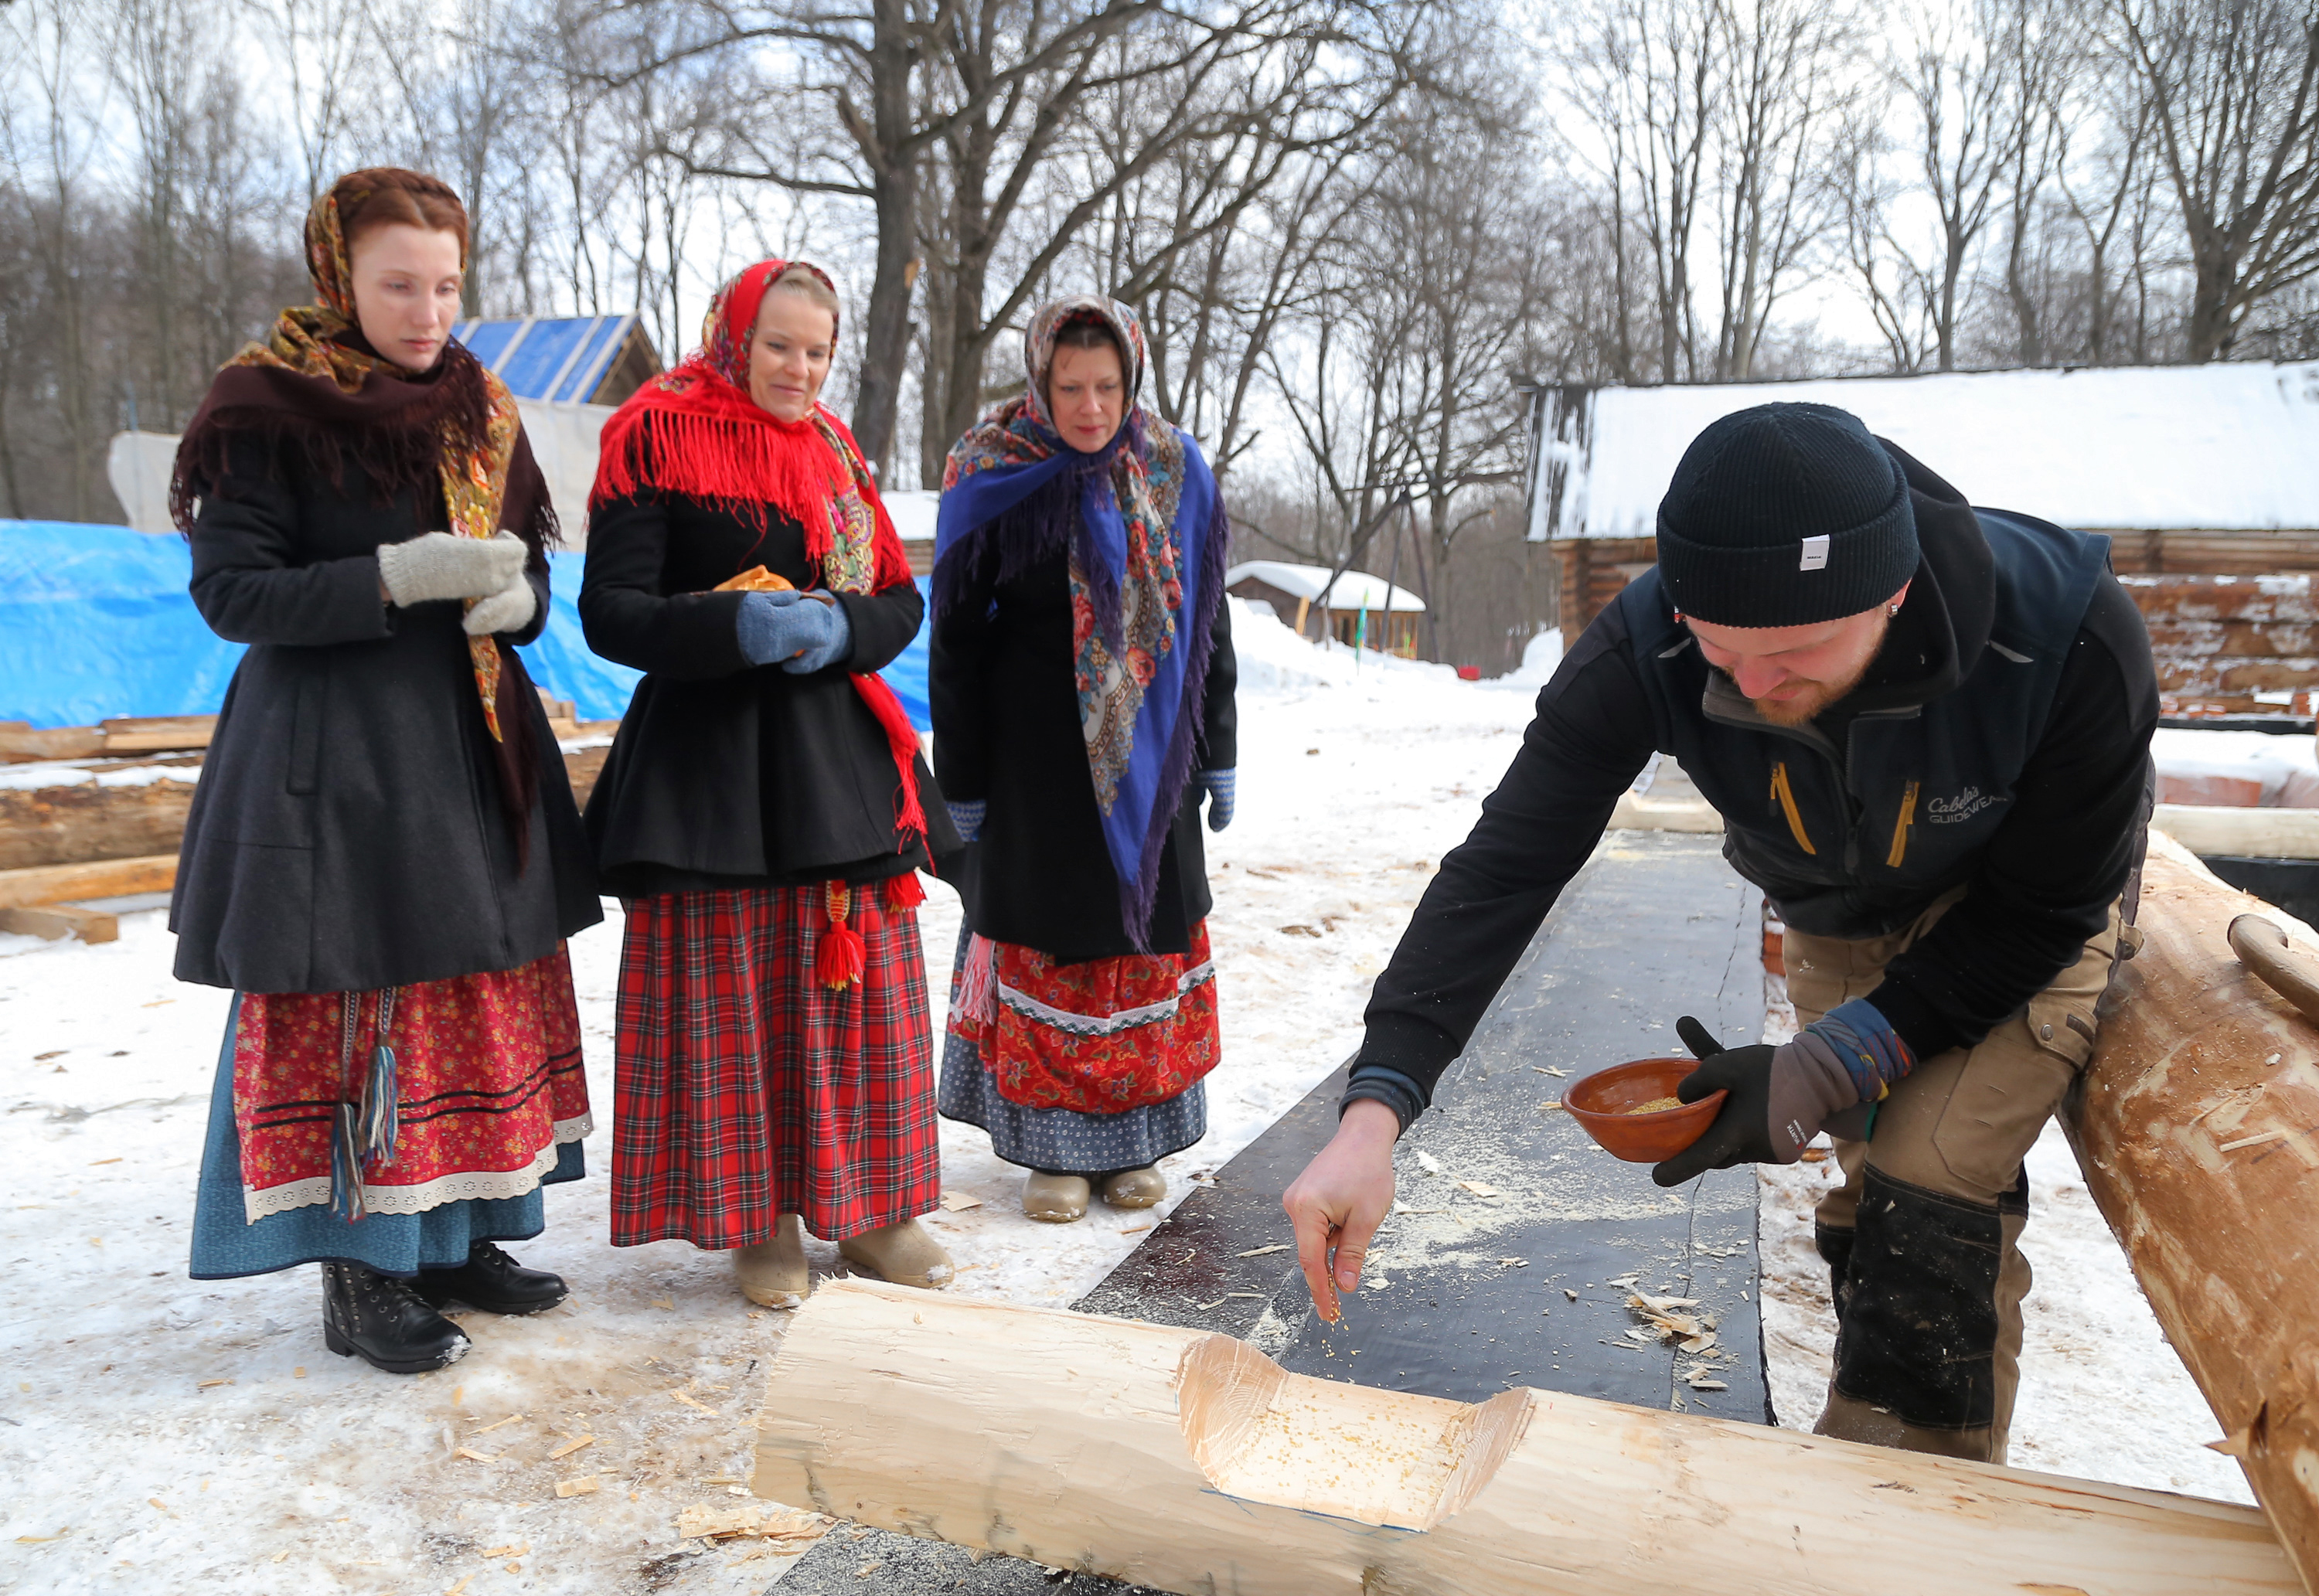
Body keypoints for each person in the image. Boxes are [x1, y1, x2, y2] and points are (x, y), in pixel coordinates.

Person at [1282, 402, 2157, 1464]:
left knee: (1933, 1172)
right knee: (1875, 1161)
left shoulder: (2064, 636)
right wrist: (1374, 1115)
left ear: (1891, 588)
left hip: (2023, 908)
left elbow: (2040, 913)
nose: (1750, 687)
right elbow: (1509, 864)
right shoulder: (1646, 641)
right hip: (1838, 907)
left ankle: (1905, 1507)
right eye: (1719, 651)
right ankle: (1894, 1396)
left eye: (1793, 654)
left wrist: (1829, 1059)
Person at [169, 168, 602, 1375]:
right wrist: (388, 578)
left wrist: (518, 601)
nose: (427, 312)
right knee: (365, 1004)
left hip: (470, 756)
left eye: (447, 284)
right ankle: (361, 1273)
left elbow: (526, 566)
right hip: (337, 760)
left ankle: (462, 1234)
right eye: (398, 284)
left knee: (474, 997)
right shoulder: (268, 407)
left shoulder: (484, 409)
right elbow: (230, 590)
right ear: (337, 276)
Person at [581, 258, 959, 1308]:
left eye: (817, 350)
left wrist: (841, 626)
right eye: (779, 345)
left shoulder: (837, 451)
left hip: (834, 761)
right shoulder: (656, 431)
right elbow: (608, 609)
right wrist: (730, 623)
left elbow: (895, 600)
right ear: (734, 336)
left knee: (861, 989)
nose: (799, 368)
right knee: (737, 995)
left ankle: (878, 1211)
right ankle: (763, 1220)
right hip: (709, 770)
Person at [928, 295, 1235, 1223]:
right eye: (1070, 387)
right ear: (1040, 380)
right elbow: (956, 642)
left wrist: (1219, 753)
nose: (1090, 407)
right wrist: (966, 780)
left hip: (1154, 777)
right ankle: (1051, 1154)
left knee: (1141, 951)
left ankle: (1139, 1142)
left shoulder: (1177, 471)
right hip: (1035, 777)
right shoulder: (989, 471)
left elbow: (1208, 623)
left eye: (1106, 386)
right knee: (1050, 951)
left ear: (1132, 380)